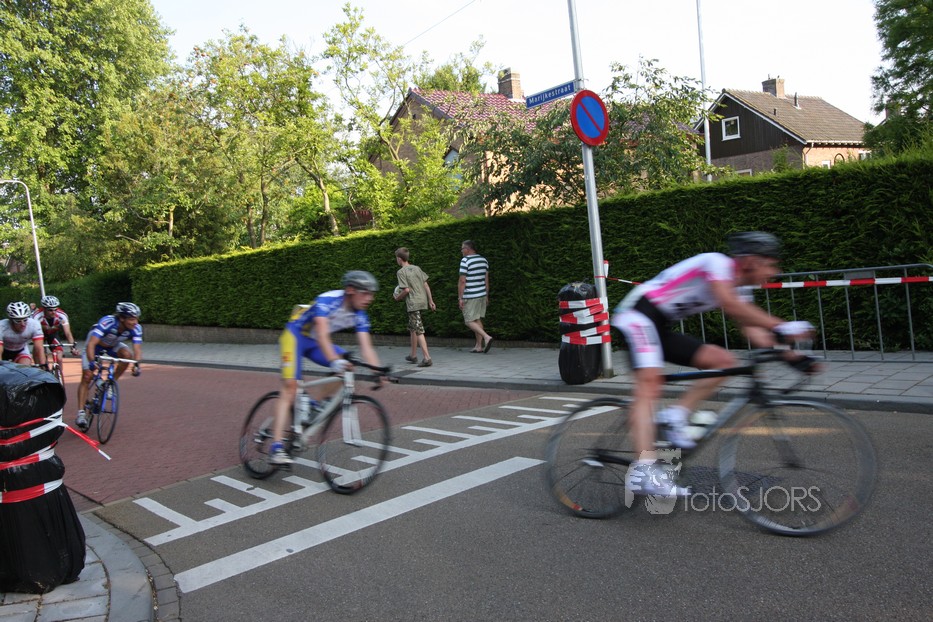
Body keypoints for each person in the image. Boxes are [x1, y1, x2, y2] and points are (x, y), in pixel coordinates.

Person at [610, 232, 815, 497]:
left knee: (724, 362)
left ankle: (676, 415)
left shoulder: (740, 288)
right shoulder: (715, 263)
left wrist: (795, 359)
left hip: (661, 324)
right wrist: (783, 325)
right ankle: (643, 472)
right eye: (770, 264)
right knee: (649, 384)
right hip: (638, 314)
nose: (774, 272)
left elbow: (755, 332)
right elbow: (730, 305)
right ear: (751, 261)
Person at [270, 270, 385, 465]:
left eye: (372, 294)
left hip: (314, 342)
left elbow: (367, 347)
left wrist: (378, 371)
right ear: (350, 290)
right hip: (295, 336)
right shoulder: (328, 300)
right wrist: (333, 361)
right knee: (290, 387)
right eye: (365, 293)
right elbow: (323, 334)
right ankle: (276, 446)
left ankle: (316, 404)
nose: (370, 298)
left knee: (348, 365)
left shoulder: (360, 314)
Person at [75, 302, 143, 431]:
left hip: (113, 345)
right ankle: (81, 414)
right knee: (87, 376)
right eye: (131, 319)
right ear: (121, 318)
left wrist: (137, 365)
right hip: (95, 345)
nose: (135, 322)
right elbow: (91, 344)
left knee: (127, 355)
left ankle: (111, 383)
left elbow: (137, 349)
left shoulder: (136, 328)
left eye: (136, 319)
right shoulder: (107, 322)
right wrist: (92, 362)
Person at [393, 247, 436, 367]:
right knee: (413, 327)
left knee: (418, 329)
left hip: (413, 303)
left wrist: (397, 297)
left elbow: (406, 290)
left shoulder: (401, 272)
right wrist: (431, 301)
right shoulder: (417, 268)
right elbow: (426, 285)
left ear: (399, 259)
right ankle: (413, 355)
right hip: (422, 300)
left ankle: (427, 358)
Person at [458, 240, 493, 353]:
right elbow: (486, 280)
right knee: (476, 319)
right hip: (481, 294)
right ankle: (478, 346)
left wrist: (460, 298)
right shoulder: (483, 260)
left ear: (467, 249)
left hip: (471, 295)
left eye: (462, 249)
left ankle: (487, 337)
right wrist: (486, 295)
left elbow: (462, 281)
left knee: (468, 321)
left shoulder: (465, 261)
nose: (461, 251)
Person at [33, 295, 80, 369]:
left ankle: (59, 373)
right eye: (50, 310)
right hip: (40, 335)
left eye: (55, 309)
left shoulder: (62, 315)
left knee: (59, 356)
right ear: (44, 309)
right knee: (38, 353)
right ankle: (39, 369)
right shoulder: (37, 316)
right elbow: (34, 333)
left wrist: (73, 348)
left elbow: (68, 333)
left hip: (53, 334)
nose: (53, 312)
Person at [0, 301, 47, 368]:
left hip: (21, 350)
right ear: (11, 320)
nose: (23, 324)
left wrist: (43, 366)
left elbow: (39, 348)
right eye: (18, 321)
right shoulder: (2, 326)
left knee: (25, 368)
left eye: (25, 320)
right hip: (4, 351)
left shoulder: (34, 325)